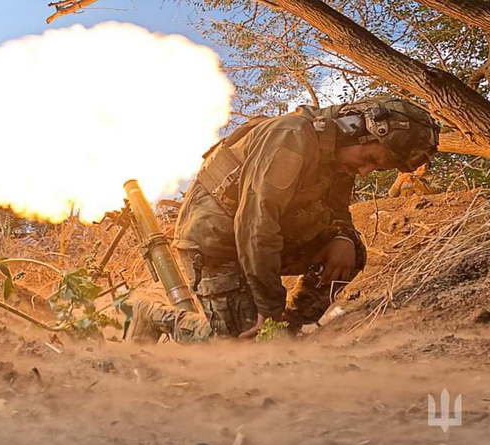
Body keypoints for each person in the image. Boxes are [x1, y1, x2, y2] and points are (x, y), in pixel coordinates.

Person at [130, 97, 440, 343]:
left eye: (376, 169)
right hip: (215, 246)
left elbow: (338, 212)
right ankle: (154, 314)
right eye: (370, 160)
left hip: (260, 239)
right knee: (235, 347)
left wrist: (344, 238)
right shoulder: (290, 137)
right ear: (351, 127)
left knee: (351, 251)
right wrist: (270, 310)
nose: (364, 172)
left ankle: (288, 335)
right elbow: (256, 225)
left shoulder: (337, 157)